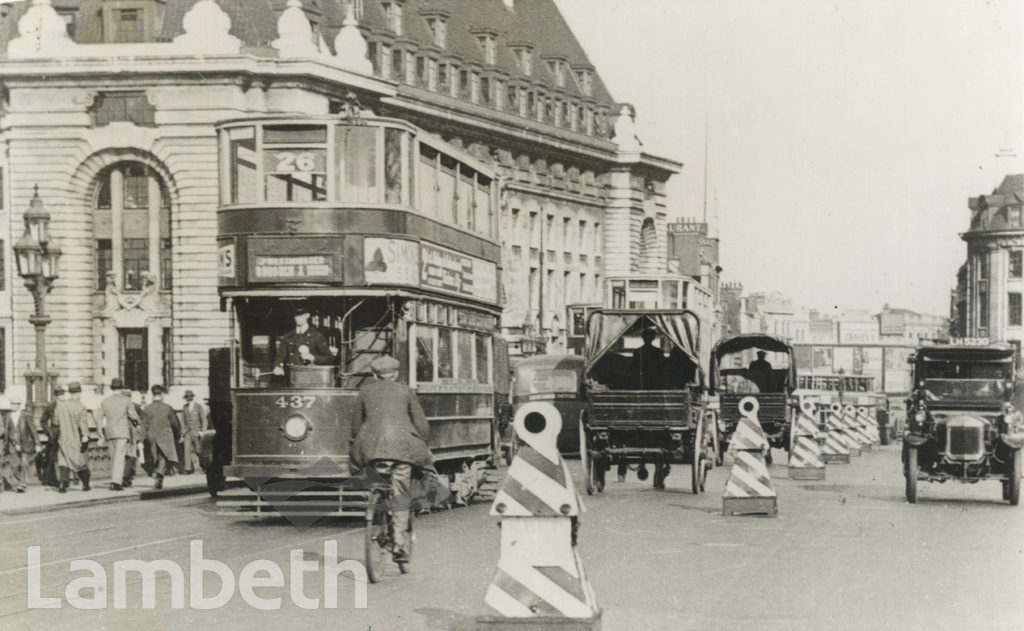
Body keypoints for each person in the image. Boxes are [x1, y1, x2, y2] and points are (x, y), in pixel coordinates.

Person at [350, 355, 433, 565]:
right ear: (395, 374)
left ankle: (374, 501)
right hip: (402, 451)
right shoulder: (405, 391)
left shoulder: (365, 391)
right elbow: (421, 425)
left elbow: (355, 427)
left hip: (373, 450)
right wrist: (422, 441)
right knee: (400, 495)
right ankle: (398, 543)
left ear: (374, 375)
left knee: (374, 478)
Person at [272, 304, 339, 376]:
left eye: (300, 315)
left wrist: (313, 357)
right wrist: (277, 366)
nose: (297, 318)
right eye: (295, 315)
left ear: (307, 315)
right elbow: (280, 357)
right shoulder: (288, 336)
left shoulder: (316, 335)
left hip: (310, 377)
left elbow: (329, 358)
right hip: (292, 378)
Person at [98, 378, 140, 491]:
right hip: (122, 432)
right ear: (121, 388)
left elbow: (99, 418)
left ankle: (114, 479)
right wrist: (137, 422)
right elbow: (133, 415)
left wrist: (99, 433)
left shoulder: (105, 401)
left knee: (113, 457)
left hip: (109, 432)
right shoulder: (126, 400)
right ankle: (115, 482)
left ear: (112, 388)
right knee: (119, 458)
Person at [54, 382, 91, 493]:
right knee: (80, 462)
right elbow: (83, 424)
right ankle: (85, 484)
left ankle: (63, 483)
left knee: (64, 460)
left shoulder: (60, 406)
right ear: (79, 393)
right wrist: (85, 436)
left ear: (70, 393)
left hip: (63, 438)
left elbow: (55, 422)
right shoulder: (81, 407)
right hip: (75, 438)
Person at [142, 385, 180, 490]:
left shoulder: (146, 408)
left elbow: (143, 424)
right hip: (165, 436)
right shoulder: (167, 407)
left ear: (152, 395)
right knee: (165, 457)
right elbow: (174, 424)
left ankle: (157, 474)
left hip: (151, 436)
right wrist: (178, 434)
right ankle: (159, 474)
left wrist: (141, 438)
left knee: (155, 457)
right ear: (162, 395)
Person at [1, 394, 39, 492]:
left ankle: (21, 484)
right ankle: (20, 481)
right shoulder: (7, 416)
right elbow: (6, 430)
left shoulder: (26, 416)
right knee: (13, 465)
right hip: (12, 444)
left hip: (26, 443)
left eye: (15, 404)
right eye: (12, 404)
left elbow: (33, 430)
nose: (12, 406)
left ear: (19, 405)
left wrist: (37, 444)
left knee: (24, 463)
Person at [38, 385, 65, 487]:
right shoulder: (51, 406)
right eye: (59, 395)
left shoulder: (67, 405)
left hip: (66, 433)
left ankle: (67, 478)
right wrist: (49, 431)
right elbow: (43, 420)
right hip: (54, 434)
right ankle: (53, 480)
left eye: (62, 394)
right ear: (56, 396)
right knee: (52, 457)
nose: (61, 396)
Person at [181, 390, 208, 474]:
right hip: (187, 432)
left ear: (192, 397)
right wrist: (183, 432)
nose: (188, 399)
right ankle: (188, 468)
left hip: (197, 431)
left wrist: (203, 431)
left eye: (190, 397)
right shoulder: (184, 407)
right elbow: (182, 420)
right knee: (187, 449)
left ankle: (205, 466)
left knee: (198, 450)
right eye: (187, 397)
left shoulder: (198, 406)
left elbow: (204, 419)